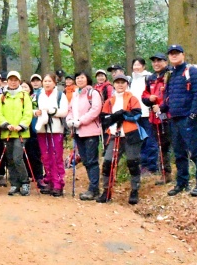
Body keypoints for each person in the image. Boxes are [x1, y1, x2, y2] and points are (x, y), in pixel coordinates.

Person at [161, 44, 197, 197]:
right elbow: (168, 97)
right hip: (173, 119)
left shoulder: (191, 71)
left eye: (177, 53)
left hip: (187, 118)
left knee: (195, 152)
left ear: (183, 54)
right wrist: (161, 109)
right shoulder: (171, 74)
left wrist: (193, 114)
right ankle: (182, 183)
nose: (174, 56)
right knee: (179, 153)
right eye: (171, 54)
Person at [98, 74, 143, 204]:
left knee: (132, 162)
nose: (120, 84)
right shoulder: (109, 101)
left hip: (130, 135)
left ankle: (135, 190)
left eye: (123, 82)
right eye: (117, 82)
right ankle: (106, 191)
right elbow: (104, 119)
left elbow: (137, 114)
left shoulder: (132, 98)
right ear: (114, 84)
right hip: (114, 135)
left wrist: (124, 115)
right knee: (108, 162)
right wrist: (114, 117)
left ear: (127, 84)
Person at [66, 72, 103, 200]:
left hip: (91, 131)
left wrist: (81, 121)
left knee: (92, 160)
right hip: (77, 131)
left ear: (87, 79)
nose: (80, 80)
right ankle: (93, 187)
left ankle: (94, 189)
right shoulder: (75, 94)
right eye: (77, 78)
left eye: (82, 77)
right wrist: (70, 120)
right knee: (86, 160)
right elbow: (70, 110)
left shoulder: (93, 93)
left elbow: (95, 110)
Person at [0, 71, 34, 196]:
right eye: (11, 80)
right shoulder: (2, 97)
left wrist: (20, 126)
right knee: (10, 159)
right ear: (7, 81)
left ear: (19, 81)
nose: (13, 82)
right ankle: (14, 184)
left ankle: (24, 182)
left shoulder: (24, 96)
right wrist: (6, 125)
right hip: (7, 132)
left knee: (18, 158)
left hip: (21, 133)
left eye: (15, 80)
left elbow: (28, 113)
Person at [35, 74, 69, 196]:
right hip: (42, 129)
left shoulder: (60, 95)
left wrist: (51, 111)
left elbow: (64, 111)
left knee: (56, 156)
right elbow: (32, 108)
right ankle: (49, 180)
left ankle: (58, 183)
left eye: (50, 81)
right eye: (45, 81)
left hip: (55, 129)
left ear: (54, 83)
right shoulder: (38, 94)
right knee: (45, 156)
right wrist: (37, 112)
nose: (47, 83)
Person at [142, 53, 172, 184]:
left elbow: (174, 94)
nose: (156, 64)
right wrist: (149, 99)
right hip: (155, 118)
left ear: (165, 62)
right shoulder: (151, 78)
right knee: (161, 145)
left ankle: (184, 174)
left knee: (175, 143)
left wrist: (161, 107)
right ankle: (165, 174)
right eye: (154, 61)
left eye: (159, 61)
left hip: (170, 116)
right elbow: (144, 95)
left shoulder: (170, 75)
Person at [130, 57, 158, 175]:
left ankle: (152, 166)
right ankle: (143, 165)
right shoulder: (131, 80)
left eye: (139, 65)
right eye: (134, 65)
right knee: (140, 141)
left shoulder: (149, 78)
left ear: (144, 66)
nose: (136, 67)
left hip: (147, 113)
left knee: (150, 140)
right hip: (135, 114)